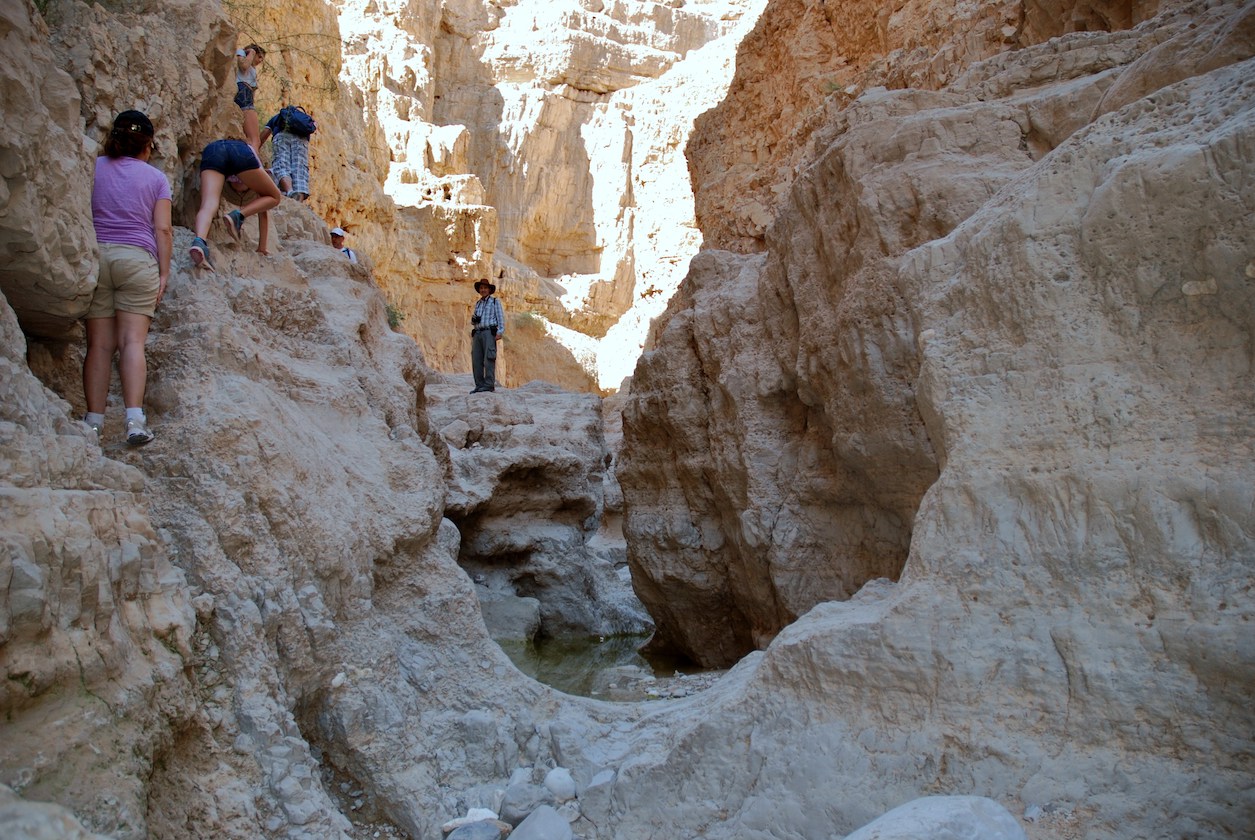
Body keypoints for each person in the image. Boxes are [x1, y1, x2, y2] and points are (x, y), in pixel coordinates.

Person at [83, 110, 172, 446]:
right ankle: (134, 421)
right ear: (147, 145)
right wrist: (163, 272)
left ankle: (93, 425)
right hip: (137, 261)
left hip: (97, 257)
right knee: (132, 343)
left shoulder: (94, 165)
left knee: (99, 346)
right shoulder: (155, 179)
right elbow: (162, 229)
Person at [189, 139, 282, 269]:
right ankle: (238, 216)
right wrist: (262, 247)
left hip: (213, 149)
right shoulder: (255, 169)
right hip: (241, 153)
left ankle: (199, 242)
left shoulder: (228, 171)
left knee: (208, 204)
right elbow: (264, 214)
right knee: (275, 196)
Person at [260, 106, 312, 201]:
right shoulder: (304, 124)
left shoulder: (278, 117)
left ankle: (289, 191)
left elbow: (263, 136)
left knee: (282, 164)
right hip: (301, 141)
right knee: (299, 170)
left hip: (282, 136)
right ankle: (297, 203)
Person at [469, 278, 505, 393]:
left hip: (489, 332)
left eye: (485, 288)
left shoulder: (495, 302)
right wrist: (474, 320)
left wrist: (500, 331)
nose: (483, 290)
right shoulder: (478, 304)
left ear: (489, 290)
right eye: (481, 288)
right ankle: (479, 385)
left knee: (489, 358)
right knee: (476, 359)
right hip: (478, 332)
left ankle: (489, 384)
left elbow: (500, 318)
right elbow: (474, 320)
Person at [234, 43, 266, 151]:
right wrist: (251, 52)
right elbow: (243, 66)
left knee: (250, 138)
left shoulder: (252, 70)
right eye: (260, 56)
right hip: (242, 92)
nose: (260, 60)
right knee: (255, 140)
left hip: (247, 97)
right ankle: (254, 164)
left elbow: (253, 91)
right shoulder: (241, 53)